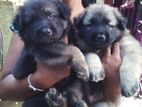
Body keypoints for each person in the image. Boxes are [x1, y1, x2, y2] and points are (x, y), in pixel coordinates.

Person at [0, 0, 121, 106]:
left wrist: (113, 82)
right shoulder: (29, 14)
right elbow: (3, 89)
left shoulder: (101, 18)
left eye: (51, 16)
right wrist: (39, 80)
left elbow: (113, 100)